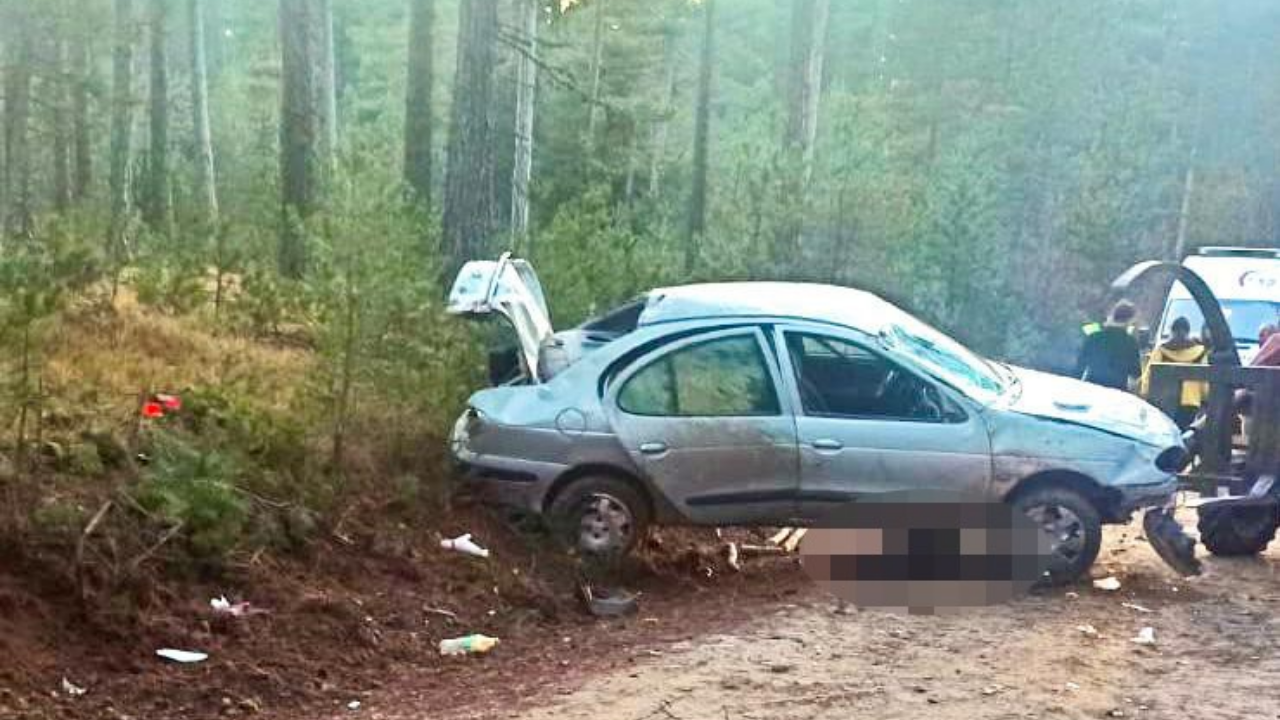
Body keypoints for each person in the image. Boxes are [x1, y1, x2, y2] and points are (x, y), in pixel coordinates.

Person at [1139, 317, 1207, 428]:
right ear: (1188, 331)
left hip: (1164, 400)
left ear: (1171, 330)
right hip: (1190, 401)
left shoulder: (1161, 350)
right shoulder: (1200, 352)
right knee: (1185, 432)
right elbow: (1204, 378)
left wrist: (1145, 393)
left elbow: (1149, 376)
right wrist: (1205, 397)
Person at [1076, 300, 1142, 390]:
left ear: (1113, 315)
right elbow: (1135, 373)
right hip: (1116, 392)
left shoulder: (1094, 337)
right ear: (1130, 320)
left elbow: (1080, 365)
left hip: (1091, 388)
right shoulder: (1131, 343)